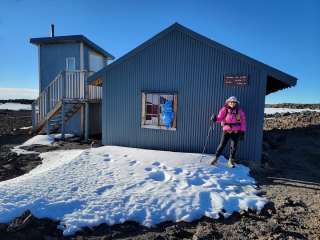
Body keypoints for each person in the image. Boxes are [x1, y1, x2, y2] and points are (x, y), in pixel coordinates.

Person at [210, 96, 246, 168]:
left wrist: (242, 131)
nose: (232, 103)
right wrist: (215, 118)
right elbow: (220, 118)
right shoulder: (224, 110)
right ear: (228, 102)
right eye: (231, 102)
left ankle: (230, 161)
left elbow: (243, 122)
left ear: (236, 103)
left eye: (234, 102)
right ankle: (216, 158)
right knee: (222, 145)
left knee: (234, 147)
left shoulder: (239, 111)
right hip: (226, 130)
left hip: (236, 131)